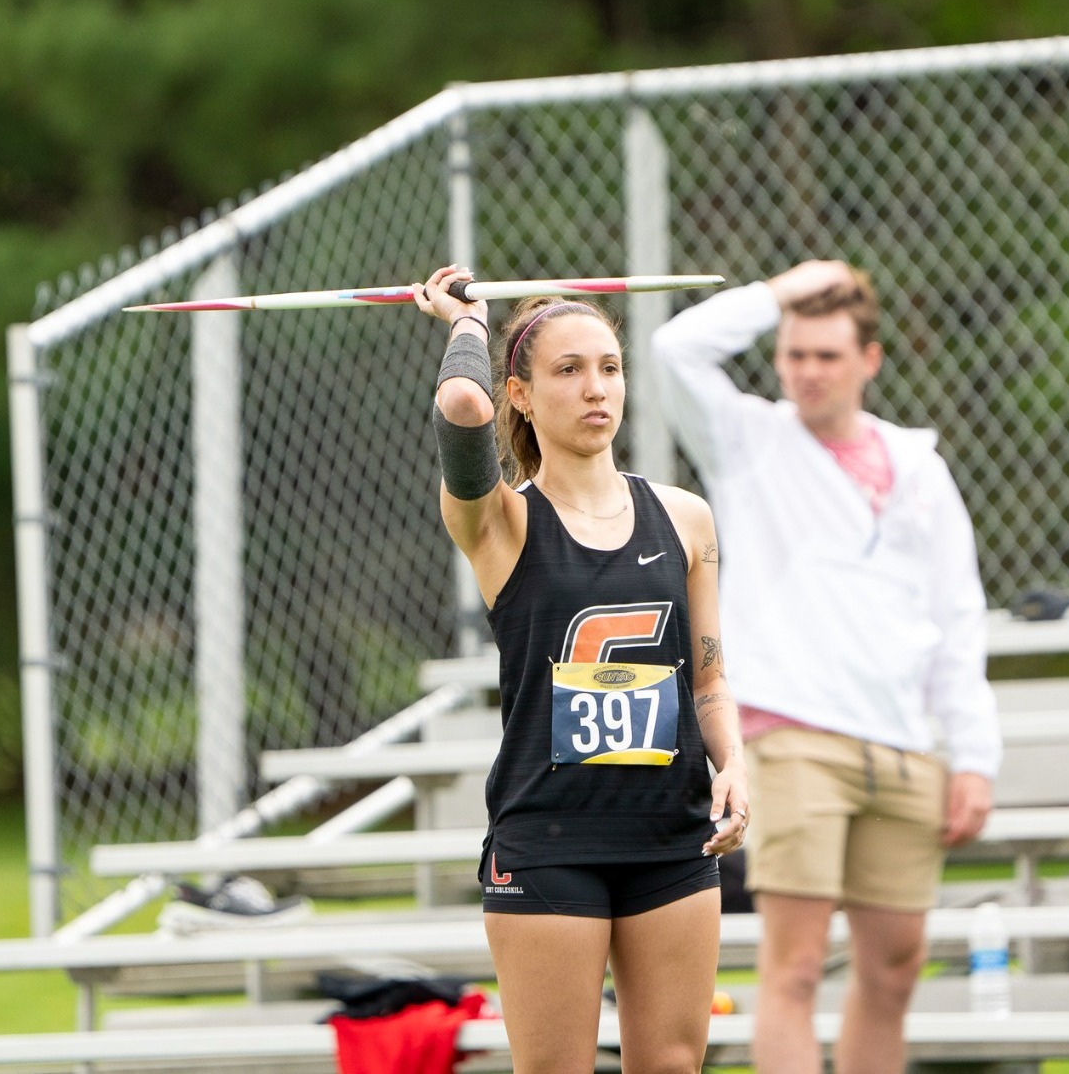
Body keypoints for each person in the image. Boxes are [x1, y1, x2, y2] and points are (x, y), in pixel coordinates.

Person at [651, 260, 1000, 1074]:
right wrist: (780, 291)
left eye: (827, 355)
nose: (807, 371)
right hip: (794, 736)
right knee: (797, 967)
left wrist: (974, 755)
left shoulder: (921, 467)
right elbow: (673, 348)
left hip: (907, 744)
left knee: (893, 968)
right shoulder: (749, 440)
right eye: (793, 353)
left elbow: (957, 616)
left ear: (870, 360)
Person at [411, 264, 748, 1073]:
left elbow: (707, 679)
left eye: (609, 366)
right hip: (549, 840)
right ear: (520, 394)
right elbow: (462, 406)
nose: (597, 388)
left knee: (672, 1062)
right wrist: (467, 325)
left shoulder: (686, 517)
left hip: (671, 838)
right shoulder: (502, 521)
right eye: (568, 370)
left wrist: (734, 761)